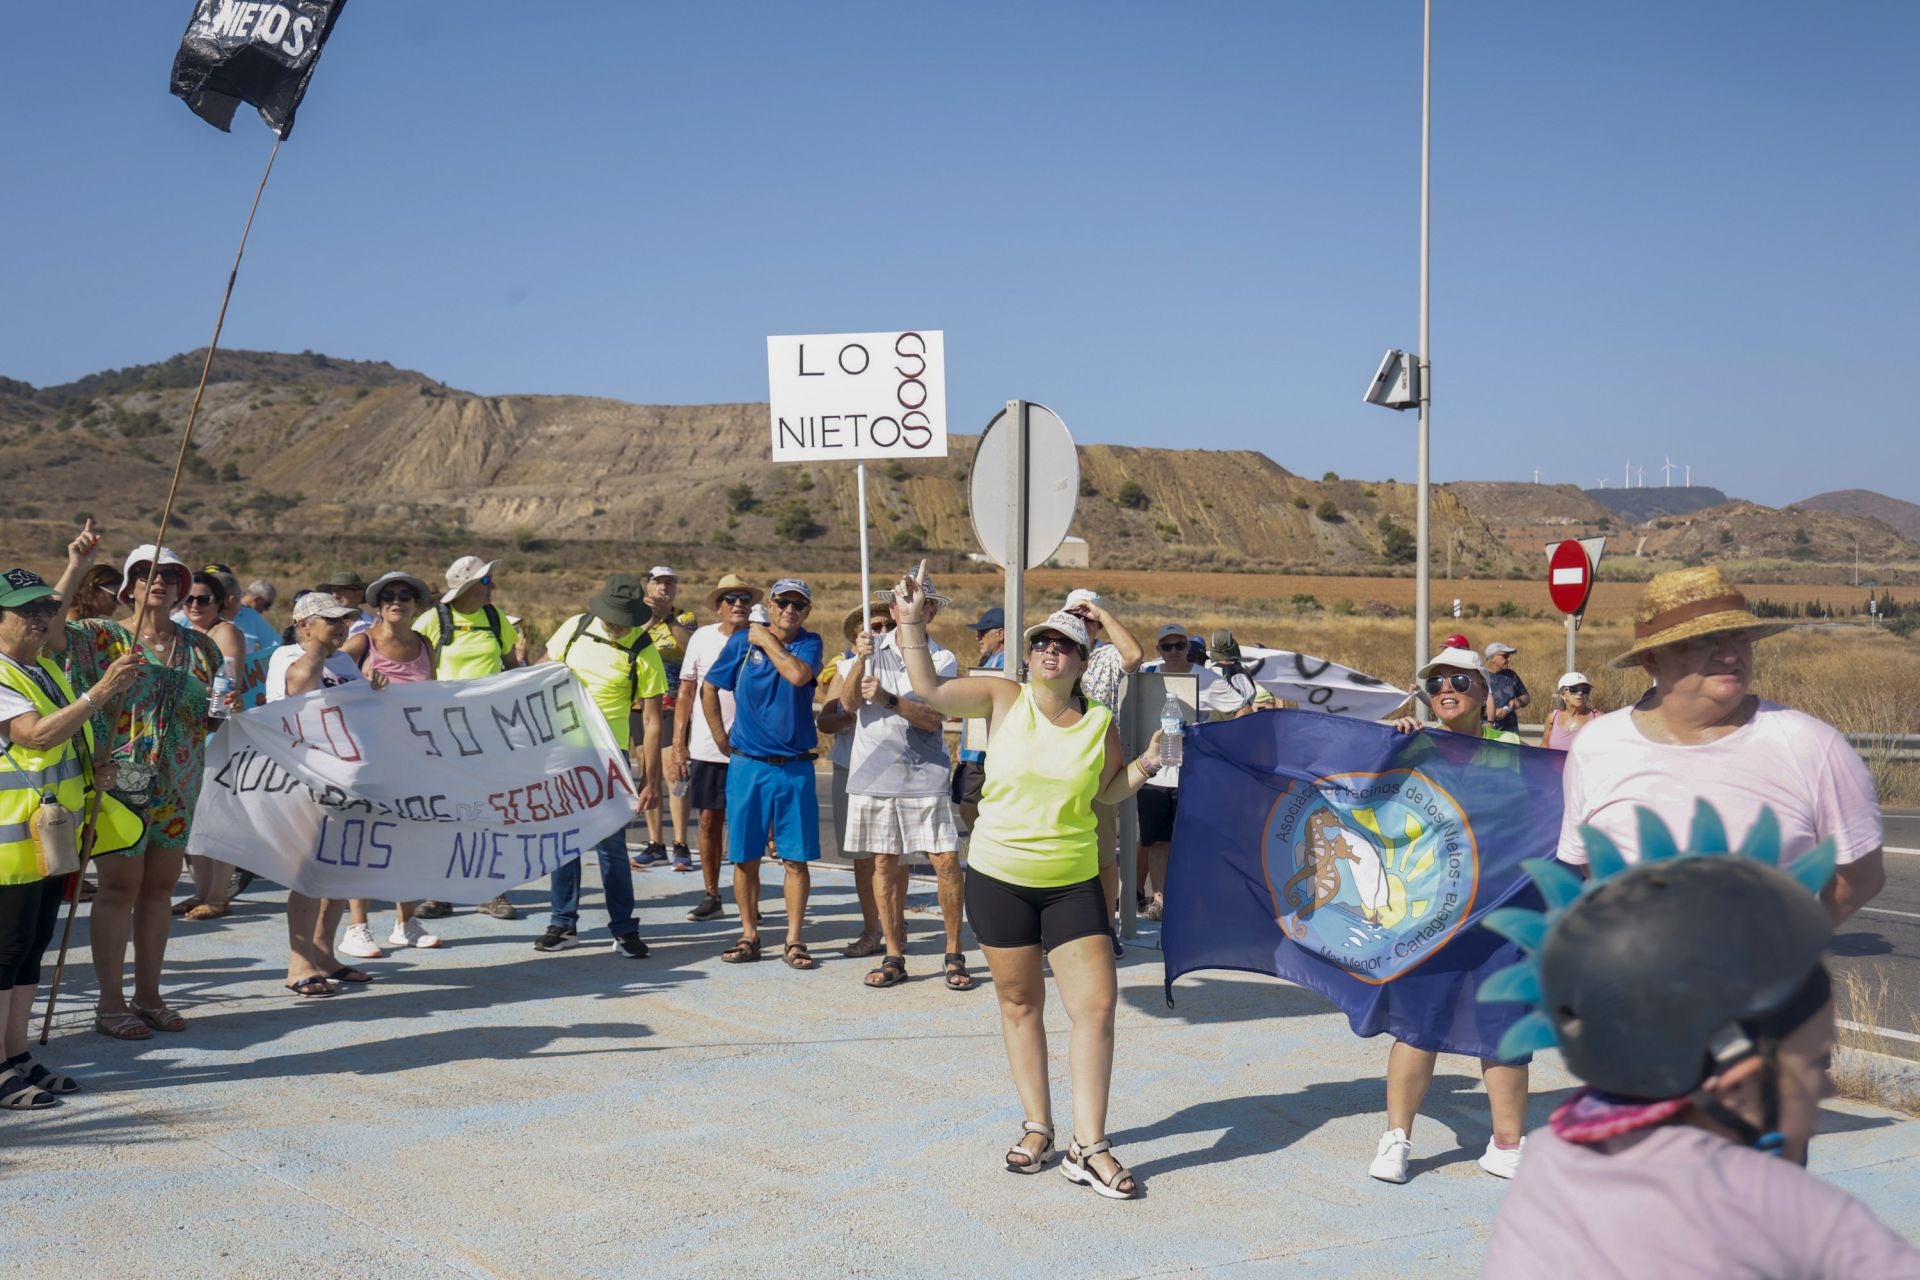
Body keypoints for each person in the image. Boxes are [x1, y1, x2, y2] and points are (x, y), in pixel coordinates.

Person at [1484, 851, 1919, 1277]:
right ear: (1739, 1083)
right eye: (1817, 1062)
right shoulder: (1782, 1208)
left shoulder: (1547, 1160)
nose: (1829, 1092)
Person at [891, 592, 1165, 1200]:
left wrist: (1147, 763)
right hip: (998, 875)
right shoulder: (1001, 697)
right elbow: (929, 690)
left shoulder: (1099, 722)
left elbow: (1111, 791)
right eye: (1042, 640)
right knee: (1020, 1005)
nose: (1050, 649)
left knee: (1095, 1007)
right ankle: (1038, 1126)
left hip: (1070, 881)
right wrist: (911, 622)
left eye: (1064, 643)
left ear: (1081, 659)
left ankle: (1088, 1145)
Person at [1559, 566, 1885, 920]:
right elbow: (1591, 866)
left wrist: (1788, 948)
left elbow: (1861, 877)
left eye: (1739, 637)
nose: (1730, 655)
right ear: (1652, 658)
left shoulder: (1812, 746)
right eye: (1703, 640)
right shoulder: (1597, 745)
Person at [49, 537, 224, 1040]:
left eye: (170, 575)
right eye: (147, 573)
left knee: (161, 890)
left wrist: (214, 715)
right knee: (120, 888)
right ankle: (109, 1002)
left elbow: (204, 715)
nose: (160, 582)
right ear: (130, 586)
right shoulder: (101, 637)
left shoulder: (202, 647)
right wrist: (75, 566)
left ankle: (150, 995)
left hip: (178, 785)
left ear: (182, 589)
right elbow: (52, 631)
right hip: (119, 782)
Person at [1375, 646, 1528, 1182]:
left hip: (1501, 906)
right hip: (1429, 908)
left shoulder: (1513, 747)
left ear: (1485, 693)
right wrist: (1392, 744)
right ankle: (1397, 1138)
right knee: (1418, 1024)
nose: (1447, 688)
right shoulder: (1411, 743)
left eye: (1461, 681)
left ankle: (1507, 1144)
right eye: (1436, 680)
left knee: (1506, 1027)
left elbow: (1542, 812)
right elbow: (1372, 802)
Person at [0, 568, 142, 1107]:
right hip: (7, 846)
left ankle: (16, 1056)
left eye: (45, 608)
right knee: (5, 953)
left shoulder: (47, 671)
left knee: (28, 952)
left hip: (43, 843)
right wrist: (102, 691)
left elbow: (65, 743)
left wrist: (94, 771)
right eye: (25, 610)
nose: (39, 618)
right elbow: (35, 736)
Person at [840, 571, 971, 991]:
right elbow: (845, 705)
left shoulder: (942, 658)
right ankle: (893, 953)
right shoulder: (867, 649)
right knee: (884, 863)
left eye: (923, 602)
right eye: (901, 602)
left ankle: (954, 952)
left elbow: (935, 717)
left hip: (922, 771)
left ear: (929, 610)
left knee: (945, 861)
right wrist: (860, 660)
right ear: (893, 608)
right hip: (873, 773)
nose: (911, 608)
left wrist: (888, 699)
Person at [533, 575, 665, 959]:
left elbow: (653, 721)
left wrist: (650, 780)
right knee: (563, 841)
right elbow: (539, 673)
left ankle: (624, 929)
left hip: (608, 759)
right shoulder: (575, 629)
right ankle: (562, 923)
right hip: (561, 752)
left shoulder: (643, 649)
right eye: (611, 616)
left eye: (623, 618)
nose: (615, 624)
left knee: (611, 846)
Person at [267, 593, 387, 997]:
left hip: (346, 780)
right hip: (304, 778)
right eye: (330, 620)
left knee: (338, 867)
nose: (340, 627)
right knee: (308, 871)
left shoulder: (343, 661)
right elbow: (300, 689)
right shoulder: (286, 656)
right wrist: (317, 648)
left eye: (344, 620)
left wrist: (374, 691)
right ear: (304, 625)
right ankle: (298, 962)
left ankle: (324, 953)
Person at [701, 577, 823, 969]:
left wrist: (765, 639)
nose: (790, 610)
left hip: (794, 767)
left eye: (798, 605)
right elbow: (709, 687)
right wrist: (720, 736)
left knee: (795, 859)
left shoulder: (809, 643)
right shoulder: (739, 644)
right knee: (745, 857)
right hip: (748, 764)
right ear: (770, 604)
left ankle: (794, 939)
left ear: (806, 611)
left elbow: (798, 676)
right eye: (783, 602)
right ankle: (749, 934)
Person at [335, 572, 443, 954]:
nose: (396, 601)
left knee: (408, 840)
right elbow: (325, 676)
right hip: (367, 758)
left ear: (416, 606)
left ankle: (405, 923)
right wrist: (359, 685)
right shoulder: (361, 643)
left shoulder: (427, 644)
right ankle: (357, 928)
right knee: (365, 839)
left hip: (413, 759)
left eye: (405, 596)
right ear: (378, 606)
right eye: (389, 596)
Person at [413, 555, 522, 921]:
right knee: (444, 811)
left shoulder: (496, 620)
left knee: (490, 809)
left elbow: (512, 667)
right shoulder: (431, 622)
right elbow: (416, 672)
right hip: (443, 734)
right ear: (471, 587)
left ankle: (492, 890)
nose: (494, 587)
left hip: (491, 733)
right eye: (488, 581)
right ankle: (439, 891)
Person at [1061, 589, 1144, 954]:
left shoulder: (1108, 656)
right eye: (1075, 616)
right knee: (1060, 849)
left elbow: (1135, 655)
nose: (1082, 623)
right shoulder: (1055, 652)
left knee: (1102, 855)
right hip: (1057, 766)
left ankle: (1106, 928)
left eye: (1088, 618)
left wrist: (1103, 614)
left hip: (1096, 766)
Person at [673, 574, 756, 923]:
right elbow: (686, 692)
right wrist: (679, 744)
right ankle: (711, 894)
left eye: (744, 598)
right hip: (707, 748)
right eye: (730, 598)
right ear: (719, 606)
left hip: (751, 747)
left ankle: (747, 901)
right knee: (709, 821)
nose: (738, 604)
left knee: (746, 824)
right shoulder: (702, 638)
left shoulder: (761, 636)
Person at [171, 571, 250, 921]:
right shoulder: (183, 633)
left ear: (220, 602)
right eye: (189, 598)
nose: (194, 605)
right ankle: (200, 891)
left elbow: (226, 683)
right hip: (186, 734)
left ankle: (218, 895)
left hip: (218, 733)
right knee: (195, 817)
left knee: (220, 815)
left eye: (203, 599)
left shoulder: (226, 632)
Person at [818, 601, 890, 960]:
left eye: (885, 625)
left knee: (896, 858)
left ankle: (896, 926)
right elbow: (826, 721)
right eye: (872, 627)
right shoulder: (844, 667)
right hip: (852, 770)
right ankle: (871, 928)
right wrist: (850, 714)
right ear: (855, 636)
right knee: (863, 859)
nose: (879, 632)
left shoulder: (907, 667)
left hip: (894, 771)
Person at [1136, 623, 1217, 920]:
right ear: (1158, 650)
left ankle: (1192, 899)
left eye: (1179, 645)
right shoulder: (1147, 678)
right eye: (1166, 647)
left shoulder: (1207, 679)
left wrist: (1216, 742)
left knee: (1190, 841)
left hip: (1194, 774)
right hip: (1155, 774)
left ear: (1188, 647)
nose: (1173, 652)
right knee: (1156, 840)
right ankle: (1159, 899)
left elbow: (1241, 709)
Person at [633, 566, 694, 870]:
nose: (664, 588)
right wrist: (648, 619)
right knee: (649, 773)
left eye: (670, 583)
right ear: (648, 585)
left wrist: (667, 618)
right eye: (659, 582)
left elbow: (689, 647)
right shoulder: (634, 616)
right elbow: (627, 646)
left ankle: (681, 843)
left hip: (671, 702)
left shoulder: (684, 618)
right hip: (639, 704)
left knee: (674, 772)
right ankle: (655, 842)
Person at [950, 605, 1005, 836]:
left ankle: (983, 848)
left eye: (984, 632)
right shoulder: (987, 662)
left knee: (969, 806)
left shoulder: (1005, 666)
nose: (978, 637)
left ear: (1001, 633)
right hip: (973, 750)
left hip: (984, 751)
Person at [1203, 628, 1273, 719]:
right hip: (1245, 720)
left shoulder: (1209, 671)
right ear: (1233, 645)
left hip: (1221, 725)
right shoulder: (1245, 669)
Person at [1542, 672, 1600, 751]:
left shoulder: (1598, 718)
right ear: (1563, 695)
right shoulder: (1552, 718)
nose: (1580, 693)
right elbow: (1544, 746)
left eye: (1585, 690)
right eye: (1574, 689)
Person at [1484, 642, 1528, 734]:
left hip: (1510, 733)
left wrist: (1518, 702)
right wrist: (1491, 713)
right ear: (1493, 658)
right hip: (1486, 732)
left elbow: (1525, 696)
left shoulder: (1511, 675)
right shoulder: (1480, 677)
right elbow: (1470, 706)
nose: (1509, 659)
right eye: (1505, 656)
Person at [316, 569, 375, 636]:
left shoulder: (373, 625)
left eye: (340, 590)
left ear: (359, 594)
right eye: (332, 591)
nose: (335, 596)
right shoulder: (322, 623)